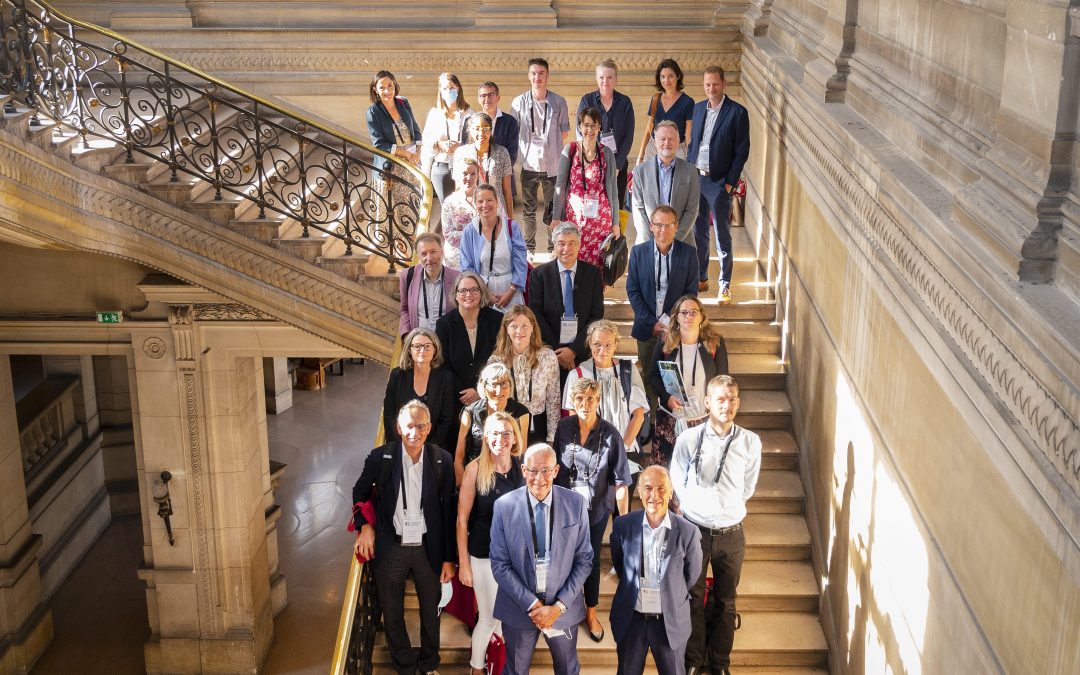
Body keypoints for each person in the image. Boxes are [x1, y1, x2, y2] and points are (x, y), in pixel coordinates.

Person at [351, 400, 456, 675]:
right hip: (392, 547)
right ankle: (405, 667)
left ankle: (429, 663)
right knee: (392, 611)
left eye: (421, 426)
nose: (415, 432)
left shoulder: (441, 459)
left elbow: (447, 512)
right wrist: (365, 526)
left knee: (430, 612)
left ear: (429, 427)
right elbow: (359, 492)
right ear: (399, 428)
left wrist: (448, 558)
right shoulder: (380, 457)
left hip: (427, 549)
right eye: (410, 426)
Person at [671, 375, 762, 675]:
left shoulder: (750, 441)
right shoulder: (689, 439)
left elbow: (747, 487)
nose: (727, 405)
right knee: (693, 598)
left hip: (732, 533)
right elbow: (677, 481)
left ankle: (721, 663)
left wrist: (726, 508)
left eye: (732, 398)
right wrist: (696, 509)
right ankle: (695, 660)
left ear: (738, 402)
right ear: (708, 402)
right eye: (720, 399)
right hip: (696, 532)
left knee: (726, 601)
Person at [489, 444, 593, 675]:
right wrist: (534, 605)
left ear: (556, 470)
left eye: (546, 470)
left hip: (562, 609)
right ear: (524, 470)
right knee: (515, 671)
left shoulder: (576, 504)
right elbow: (499, 564)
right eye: (533, 471)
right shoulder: (504, 507)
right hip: (519, 609)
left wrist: (558, 606)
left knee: (567, 670)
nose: (539, 478)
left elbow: (584, 560)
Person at [553, 377, 631, 642]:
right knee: (562, 558)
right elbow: (554, 470)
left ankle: (591, 611)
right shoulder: (563, 427)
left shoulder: (611, 434)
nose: (585, 404)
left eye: (590, 399)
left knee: (591, 560)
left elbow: (620, 482)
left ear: (598, 401)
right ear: (572, 403)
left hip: (596, 510)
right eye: (579, 399)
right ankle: (561, 609)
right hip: (564, 509)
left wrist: (624, 522)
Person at [609, 466, 703, 675]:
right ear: (640, 492)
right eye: (648, 488)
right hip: (632, 619)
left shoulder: (688, 532)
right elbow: (620, 565)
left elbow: (691, 576)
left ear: (670, 493)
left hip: (669, 622)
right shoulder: (623, 526)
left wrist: (670, 589)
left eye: (661, 489)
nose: (654, 495)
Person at [456, 411, 526, 675]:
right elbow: (462, 520)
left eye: (506, 433)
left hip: (514, 557)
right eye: (495, 433)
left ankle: (497, 663)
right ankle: (476, 669)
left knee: (503, 619)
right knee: (488, 618)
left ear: (514, 437)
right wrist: (464, 563)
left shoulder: (522, 467)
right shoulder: (475, 469)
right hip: (484, 555)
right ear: (486, 437)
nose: (501, 438)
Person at [626, 205, 700, 421]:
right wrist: (651, 322)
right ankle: (650, 422)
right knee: (648, 377)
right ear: (651, 226)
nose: (662, 230)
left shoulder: (688, 254)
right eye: (658, 224)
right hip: (646, 328)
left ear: (676, 227)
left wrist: (669, 322)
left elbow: (690, 292)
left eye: (668, 225)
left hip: (675, 331)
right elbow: (633, 290)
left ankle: (672, 419)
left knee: (672, 379)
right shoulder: (638, 253)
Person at [687, 65, 750, 302]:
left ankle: (725, 285)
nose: (711, 88)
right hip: (697, 178)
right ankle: (702, 278)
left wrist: (729, 184)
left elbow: (741, 151)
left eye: (715, 84)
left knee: (722, 235)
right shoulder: (698, 108)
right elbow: (695, 142)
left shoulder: (737, 113)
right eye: (707, 84)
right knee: (699, 232)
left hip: (719, 182)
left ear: (724, 84)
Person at [649, 294, 728, 467]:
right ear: (676, 317)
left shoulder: (715, 343)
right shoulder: (665, 341)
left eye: (693, 312)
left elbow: (723, 382)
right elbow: (653, 376)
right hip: (670, 420)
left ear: (702, 316)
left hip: (704, 420)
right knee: (668, 475)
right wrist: (666, 397)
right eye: (684, 313)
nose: (688, 316)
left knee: (699, 475)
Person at [527, 223, 605, 376]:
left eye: (572, 243)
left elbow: (596, 316)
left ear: (579, 246)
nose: (566, 249)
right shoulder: (539, 274)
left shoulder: (593, 274)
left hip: (582, 352)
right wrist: (559, 352)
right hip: (549, 352)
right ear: (554, 245)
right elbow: (535, 313)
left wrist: (573, 350)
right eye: (561, 244)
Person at [510, 57, 571, 254]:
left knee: (552, 211)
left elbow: (564, 132)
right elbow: (514, 131)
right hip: (528, 166)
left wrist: (549, 146)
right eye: (534, 73)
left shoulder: (559, 102)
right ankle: (530, 249)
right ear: (529, 76)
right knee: (528, 210)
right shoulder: (518, 102)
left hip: (552, 166)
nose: (537, 77)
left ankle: (553, 248)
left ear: (547, 76)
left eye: (541, 73)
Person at [562, 320, 648, 454]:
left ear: (616, 344)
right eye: (597, 344)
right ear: (590, 343)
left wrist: (622, 449)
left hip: (626, 450)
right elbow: (574, 417)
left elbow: (638, 414)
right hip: (591, 451)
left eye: (608, 345)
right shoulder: (577, 374)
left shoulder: (628, 370)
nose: (603, 350)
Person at [551, 107, 620, 269]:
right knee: (574, 256)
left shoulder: (606, 153)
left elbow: (613, 190)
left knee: (598, 261)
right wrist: (556, 217)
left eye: (594, 125)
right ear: (580, 127)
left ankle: (594, 292)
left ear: (600, 127)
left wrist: (615, 223)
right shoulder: (571, 150)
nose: (590, 130)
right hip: (575, 218)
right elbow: (560, 185)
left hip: (600, 220)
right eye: (586, 125)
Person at [489, 305, 561, 444]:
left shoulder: (547, 357)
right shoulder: (496, 361)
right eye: (513, 326)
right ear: (506, 329)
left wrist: (552, 438)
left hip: (538, 426)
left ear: (533, 327)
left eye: (524, 325)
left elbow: (554, 400)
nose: (519, 331)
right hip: (507, 428)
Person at [435, 271, 503, 408]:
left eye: (474, 290)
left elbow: (501, 358)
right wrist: (464, 393)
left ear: (481, 292)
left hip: (490, 394)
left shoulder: (496, 320)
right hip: (457, 397)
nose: (468, 295)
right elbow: (443, 365)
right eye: (463, 290)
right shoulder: (444, 324)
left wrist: (481, 390)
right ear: (455, 294)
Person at [454, 361, 530, 484]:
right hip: (475, 474)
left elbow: (521, 452)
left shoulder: (521, 412)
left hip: (508, 475)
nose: (499, 390)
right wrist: (461, 484)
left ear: (511, 386)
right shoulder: (470, 412)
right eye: (493, 385)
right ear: (483, 386)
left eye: (504, 384)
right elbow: (459, 458)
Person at [365, 70, 423, 231]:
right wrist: (404, 153)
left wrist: (418, 152)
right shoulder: (373, 112)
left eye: (390, 85)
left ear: (395, 85)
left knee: (414, 205)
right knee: (396, 210)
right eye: (382, 87)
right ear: (375, 90)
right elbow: (378, 143)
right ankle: (399, 249)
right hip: (392, 165)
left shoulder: (403, 102)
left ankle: (414, 243)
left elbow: (415, 129)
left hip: (412, 162)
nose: (387, 91)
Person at [383, 327, 457, 451]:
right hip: (401, 445)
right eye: (417, 346)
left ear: (435, 349)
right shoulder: (397, 375)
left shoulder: (445, 378)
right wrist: (399, 446)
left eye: (428, 346)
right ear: (409, 350)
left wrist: (428, 448)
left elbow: (446, 418)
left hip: (432, 447)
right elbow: (389, 414)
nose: (422, 350)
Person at [576, 59, 635, 208]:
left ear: (616, 79)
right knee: (593, 205)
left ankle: (617, 232)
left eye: (610, 77)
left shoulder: (625, 102)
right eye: (601, 77)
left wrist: (617, 165)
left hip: (618, 164)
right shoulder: (587, 100)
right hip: (592, 163)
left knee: (617, 206)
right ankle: (595, 232)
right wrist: (591, 161)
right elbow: (580, 131)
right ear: (597, 78)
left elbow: (628, 136)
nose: (605, 81)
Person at [460, 184, 528, 310]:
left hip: (511, 287)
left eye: (489, 200)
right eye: (480, 201)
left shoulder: (511, 227)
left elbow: (521, 261)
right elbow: (466, 266)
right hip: (482, 289)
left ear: (497, 202)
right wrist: (485, 293)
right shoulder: (469, 231)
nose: (485, 205)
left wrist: (511, 291)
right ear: (475, 204)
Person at [631, 121, 700, 246]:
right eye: (662, 139)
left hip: (682, 242)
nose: (667, 143)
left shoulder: (691, 171)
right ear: (654, 142)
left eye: (671, 139)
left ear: (678, 141)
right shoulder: (640, 171)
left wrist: (673, 241)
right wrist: (652, 242)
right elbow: (638, 209)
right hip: (648, 242)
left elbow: (692, 209)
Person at [461, 81, 521, 192]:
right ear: (478, 99)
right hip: (475, 180)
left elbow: (512, 154)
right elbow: (465, 150)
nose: (487, 98)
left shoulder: (510, 122)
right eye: (483, 95)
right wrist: (479, 171)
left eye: (491, 94)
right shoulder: (470, 122)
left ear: (498, 97)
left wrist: (493, 171)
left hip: (502, 182)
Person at [421, 72, 470, 205]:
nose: (449, 91)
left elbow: (474, 140)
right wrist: (439, 144)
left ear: (458, 88)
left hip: (463, 167)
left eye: (452, 87)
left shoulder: (468, 113)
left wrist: (460, 145)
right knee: (447, 208)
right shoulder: (435, 113)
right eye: (445, 88)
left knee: (463, 207)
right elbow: (426, 141)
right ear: (440, 91)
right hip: (441, 167)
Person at [399, 232, 460, 337]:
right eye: (424, 254)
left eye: (433, 252)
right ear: (418, 255)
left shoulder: (457, 278)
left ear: (442, 251)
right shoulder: (407, 275)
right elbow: (405, 309)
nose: (429, 258)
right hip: (420, 344)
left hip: (447, 342)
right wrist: (406, 335)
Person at [634, 58, 695, 162]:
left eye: (671, 76)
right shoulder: (655, 99)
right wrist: (640, 157)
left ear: (678, 76)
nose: (666, 81)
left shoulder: (687, 102)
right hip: (653, 150)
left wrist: (690, 160)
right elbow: (648, 131)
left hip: (677, 151)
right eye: (663, 77)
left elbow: (688, 136)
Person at [454, 113, 514, 217]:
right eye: (477, 128)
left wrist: (510, 221)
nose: (481, 133)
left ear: (491, 130)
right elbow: (459, 188)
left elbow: (507, 190)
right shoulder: (460, 153)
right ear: (470, 130)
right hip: (471, 211)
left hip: (497, 211)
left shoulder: (502, 152)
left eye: (485, 128)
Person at [439, 157, 479, 268]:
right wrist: (477, 235)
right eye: (464, 173)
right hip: (456, 259)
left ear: (478, 175)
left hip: (482, 256)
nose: (469, 178)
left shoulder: (487, 198)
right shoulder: (449, 202)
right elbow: (448, 234)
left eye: (473, 174)